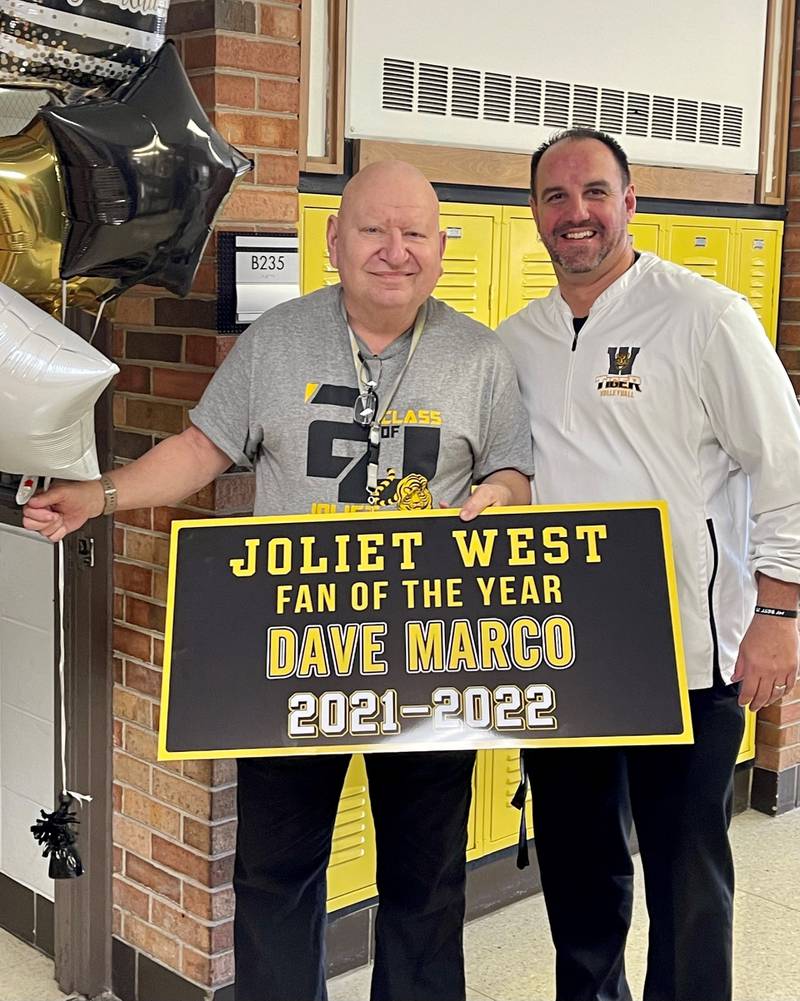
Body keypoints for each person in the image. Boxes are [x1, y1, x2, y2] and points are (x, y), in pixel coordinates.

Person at [24, 160, 533, 1001]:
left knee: (427, 882)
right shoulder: (276, 343)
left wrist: (500, 495)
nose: (395, 251)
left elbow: (512, 469)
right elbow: (199, 450)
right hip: (296, 655)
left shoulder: (480, 357)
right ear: (334, 240)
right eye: (374, 229)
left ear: (443, 249)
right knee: (274, 875)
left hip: (429, 655)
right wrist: (99, 494)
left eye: (415, 234)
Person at [498, 127, 800, 1001]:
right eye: (555, 198)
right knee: (579, 871)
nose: (576, 213)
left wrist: (779, 617)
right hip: (566, 653)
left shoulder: (705, 317)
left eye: (594, 192)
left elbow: (783, 466)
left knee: (686, 875)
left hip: (689, 656)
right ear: (536, 217)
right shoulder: (519, 340)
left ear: (631, 203)